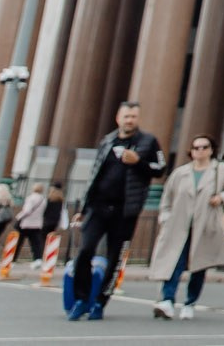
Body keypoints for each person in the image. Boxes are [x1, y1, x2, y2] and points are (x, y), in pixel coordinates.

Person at [67, 101, 165, 321]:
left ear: (137, 119)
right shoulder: (108, 141)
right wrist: (84, 208)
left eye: (133, 117)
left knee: (115, 258)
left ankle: (101, 301)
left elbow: (160, 169)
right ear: (118, 118)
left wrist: (139, 162)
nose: (129, 120)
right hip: (98, 206)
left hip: (125, 210)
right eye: (126, 116)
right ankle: (81, 299)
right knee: (85, 250)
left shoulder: (148, 142)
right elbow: (95, 174)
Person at [148, 135, 224, 319]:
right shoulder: (180, 173)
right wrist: (165, 219)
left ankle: (190, 303)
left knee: (199, 266)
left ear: (211, 150)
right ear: (191, 151)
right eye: (196, 147)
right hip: (178, 225)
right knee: (174, 262)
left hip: (205, 225)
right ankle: (167, 300)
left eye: (204, 147)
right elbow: (167, 199)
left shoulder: (220, 170)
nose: (200, 151)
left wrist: (222, 197)